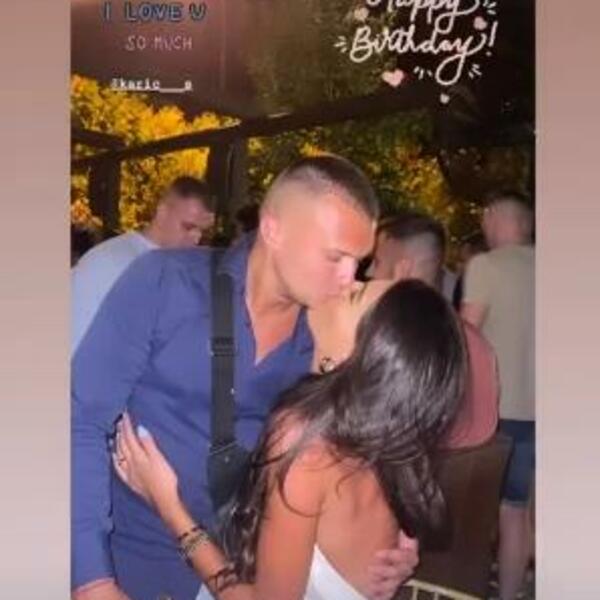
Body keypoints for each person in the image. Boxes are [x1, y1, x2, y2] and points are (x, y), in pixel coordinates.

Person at [72, 156, 419, 600]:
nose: (349, 278)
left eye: (359, 262)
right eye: (335, 257)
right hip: (126, 555)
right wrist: (90, 576)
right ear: (274, 229)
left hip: (238, 570)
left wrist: (391, 540)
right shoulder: (166, 282)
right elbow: (80, 420)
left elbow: (368, 445)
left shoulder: (329, 339)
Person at [113, 280, 467, 600]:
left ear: (356, 356)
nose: (346, 282)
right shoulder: (381, 432)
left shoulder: (307, 442)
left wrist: (169, 508)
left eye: (355, 294)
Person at [366, 212, 498, 449]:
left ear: (404, 270)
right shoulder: (475, 340)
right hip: (470, 469)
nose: (369, 274)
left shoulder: (392, 341)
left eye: (377, 262)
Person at [461, 190, 535, 600]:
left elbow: (466, 335)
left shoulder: (485, 265)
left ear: (492, 218)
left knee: (487, 510)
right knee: (518, 511)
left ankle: (471, 588)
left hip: (497, 412)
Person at [71, 176, 215, 353]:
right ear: (162, 213)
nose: (196, 238)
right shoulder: (112, 261)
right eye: (188, 227)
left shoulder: (181, 267)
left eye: (202, 231)